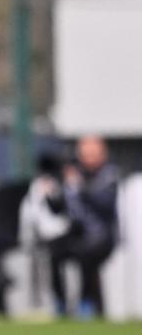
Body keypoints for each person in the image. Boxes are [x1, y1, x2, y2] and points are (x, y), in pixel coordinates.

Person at [47, 136, 119, 318]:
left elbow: (105, 205)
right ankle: (61, 304)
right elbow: (59, 209)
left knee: (86, 256)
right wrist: (51, 195)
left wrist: (81, 187)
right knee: (54, 252)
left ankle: (85, 305)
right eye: (85, 154)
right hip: (76, 233)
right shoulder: (72, 174)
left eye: (93, 154)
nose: (89, 158)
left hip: (102, 237)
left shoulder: (108, 175)